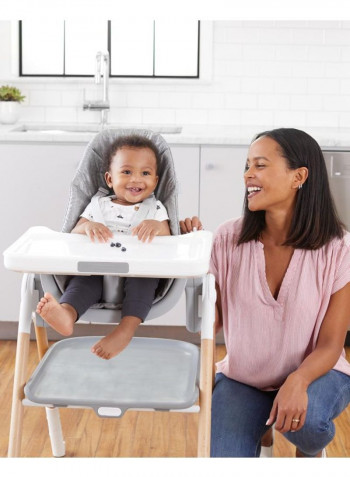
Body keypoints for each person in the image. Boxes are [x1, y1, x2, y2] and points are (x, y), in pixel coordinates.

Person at [181, 128, 350, 458]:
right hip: (245, 379)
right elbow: (207, 325)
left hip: (317, 374)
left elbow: (332, 344)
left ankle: (303, 444)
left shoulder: (338, 248)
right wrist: (193, 259)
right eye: (247, 165)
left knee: (310, 425)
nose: (248, 175)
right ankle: (263, 426)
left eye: (259, 165)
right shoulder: (229, 238)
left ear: (298, 176)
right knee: (222, 458)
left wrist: (298, 382)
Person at [36, 135, 170, 360]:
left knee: (144, 280)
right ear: (109, 178)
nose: (136, 179)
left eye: (145, 173)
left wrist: (156, 227)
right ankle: (67, 315)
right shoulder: (98, 204)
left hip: (138, 270)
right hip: (97, 269)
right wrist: (89, 227)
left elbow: (168, 235)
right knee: (83, 281)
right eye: (126, 172)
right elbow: (75, 232)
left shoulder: (155, 208)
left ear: (155, 181)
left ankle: (125, 330)